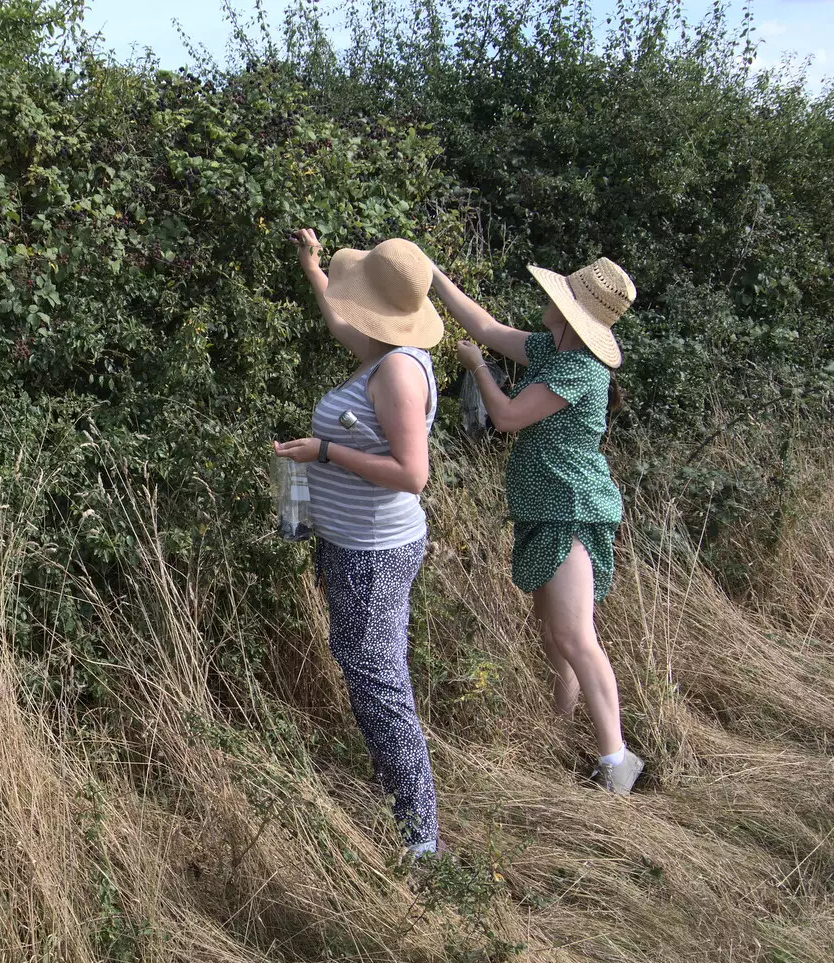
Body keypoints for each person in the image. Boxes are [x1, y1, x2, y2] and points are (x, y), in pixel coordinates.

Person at [431, 257, 645, 795]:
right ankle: (563, 730)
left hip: (571, 510)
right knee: (553, 634)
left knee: (576, 636)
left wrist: (478, 367)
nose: (547, 298)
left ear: (572, 314)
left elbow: (504, 417)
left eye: (560, 294)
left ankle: (617, 762)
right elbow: (484, 325)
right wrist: (432, 274)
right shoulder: (553, 350)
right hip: (544, 510)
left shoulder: (580, 369)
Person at [275, 230, 443, 856]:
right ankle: (404, 806)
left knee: (378, 679)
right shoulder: (382, 352)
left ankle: (421, 839)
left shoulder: (398, 371)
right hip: (353, 546)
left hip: (372, 553)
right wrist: (313, 268)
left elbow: (412, 474)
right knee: (367, 667)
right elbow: (338, 319)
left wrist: (323, 451)